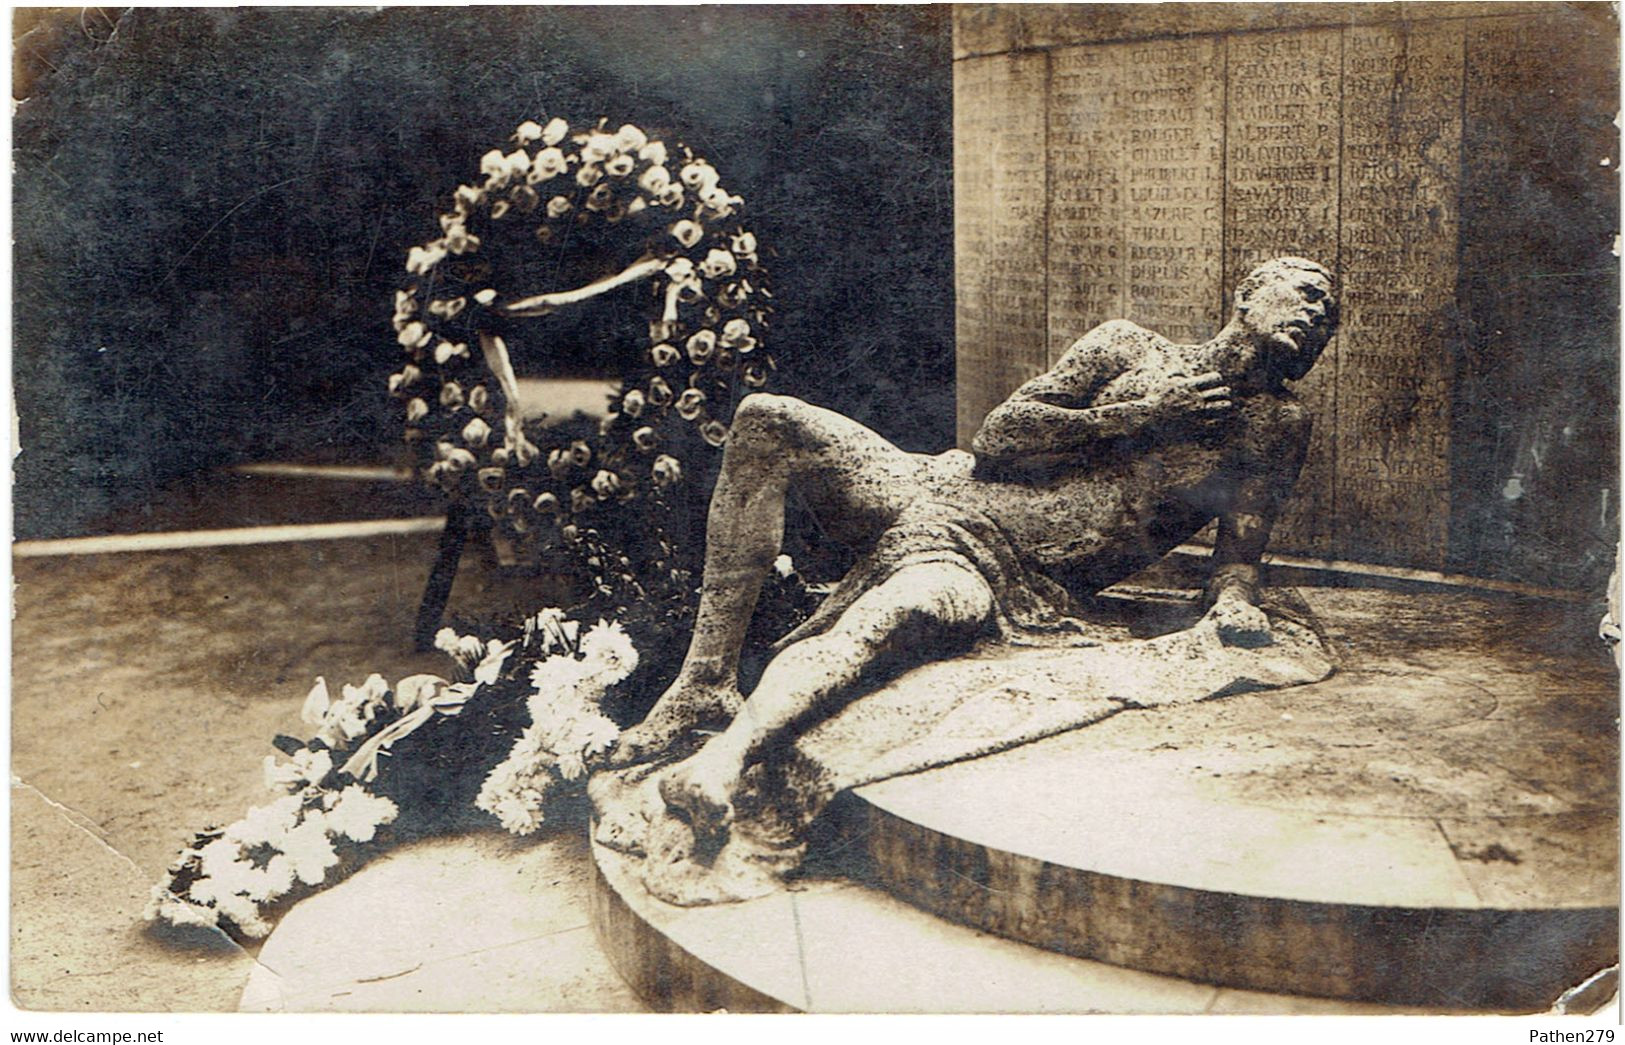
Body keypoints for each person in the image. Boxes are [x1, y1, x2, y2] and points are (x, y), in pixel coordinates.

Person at [608, 256, 1339, 844]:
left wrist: (1234, 604)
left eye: (1327, 318)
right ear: (1247, 293)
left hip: (1001, 575)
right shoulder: (1127, 346)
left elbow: (1237, 558)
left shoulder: (1273, 423)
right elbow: (999, 436)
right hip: (944, 488)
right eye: (1305, 293)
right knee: (765, 420)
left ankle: (719, 761)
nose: (1315, 317)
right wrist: (1139, 416)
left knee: (881, 621)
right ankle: (701, 680)